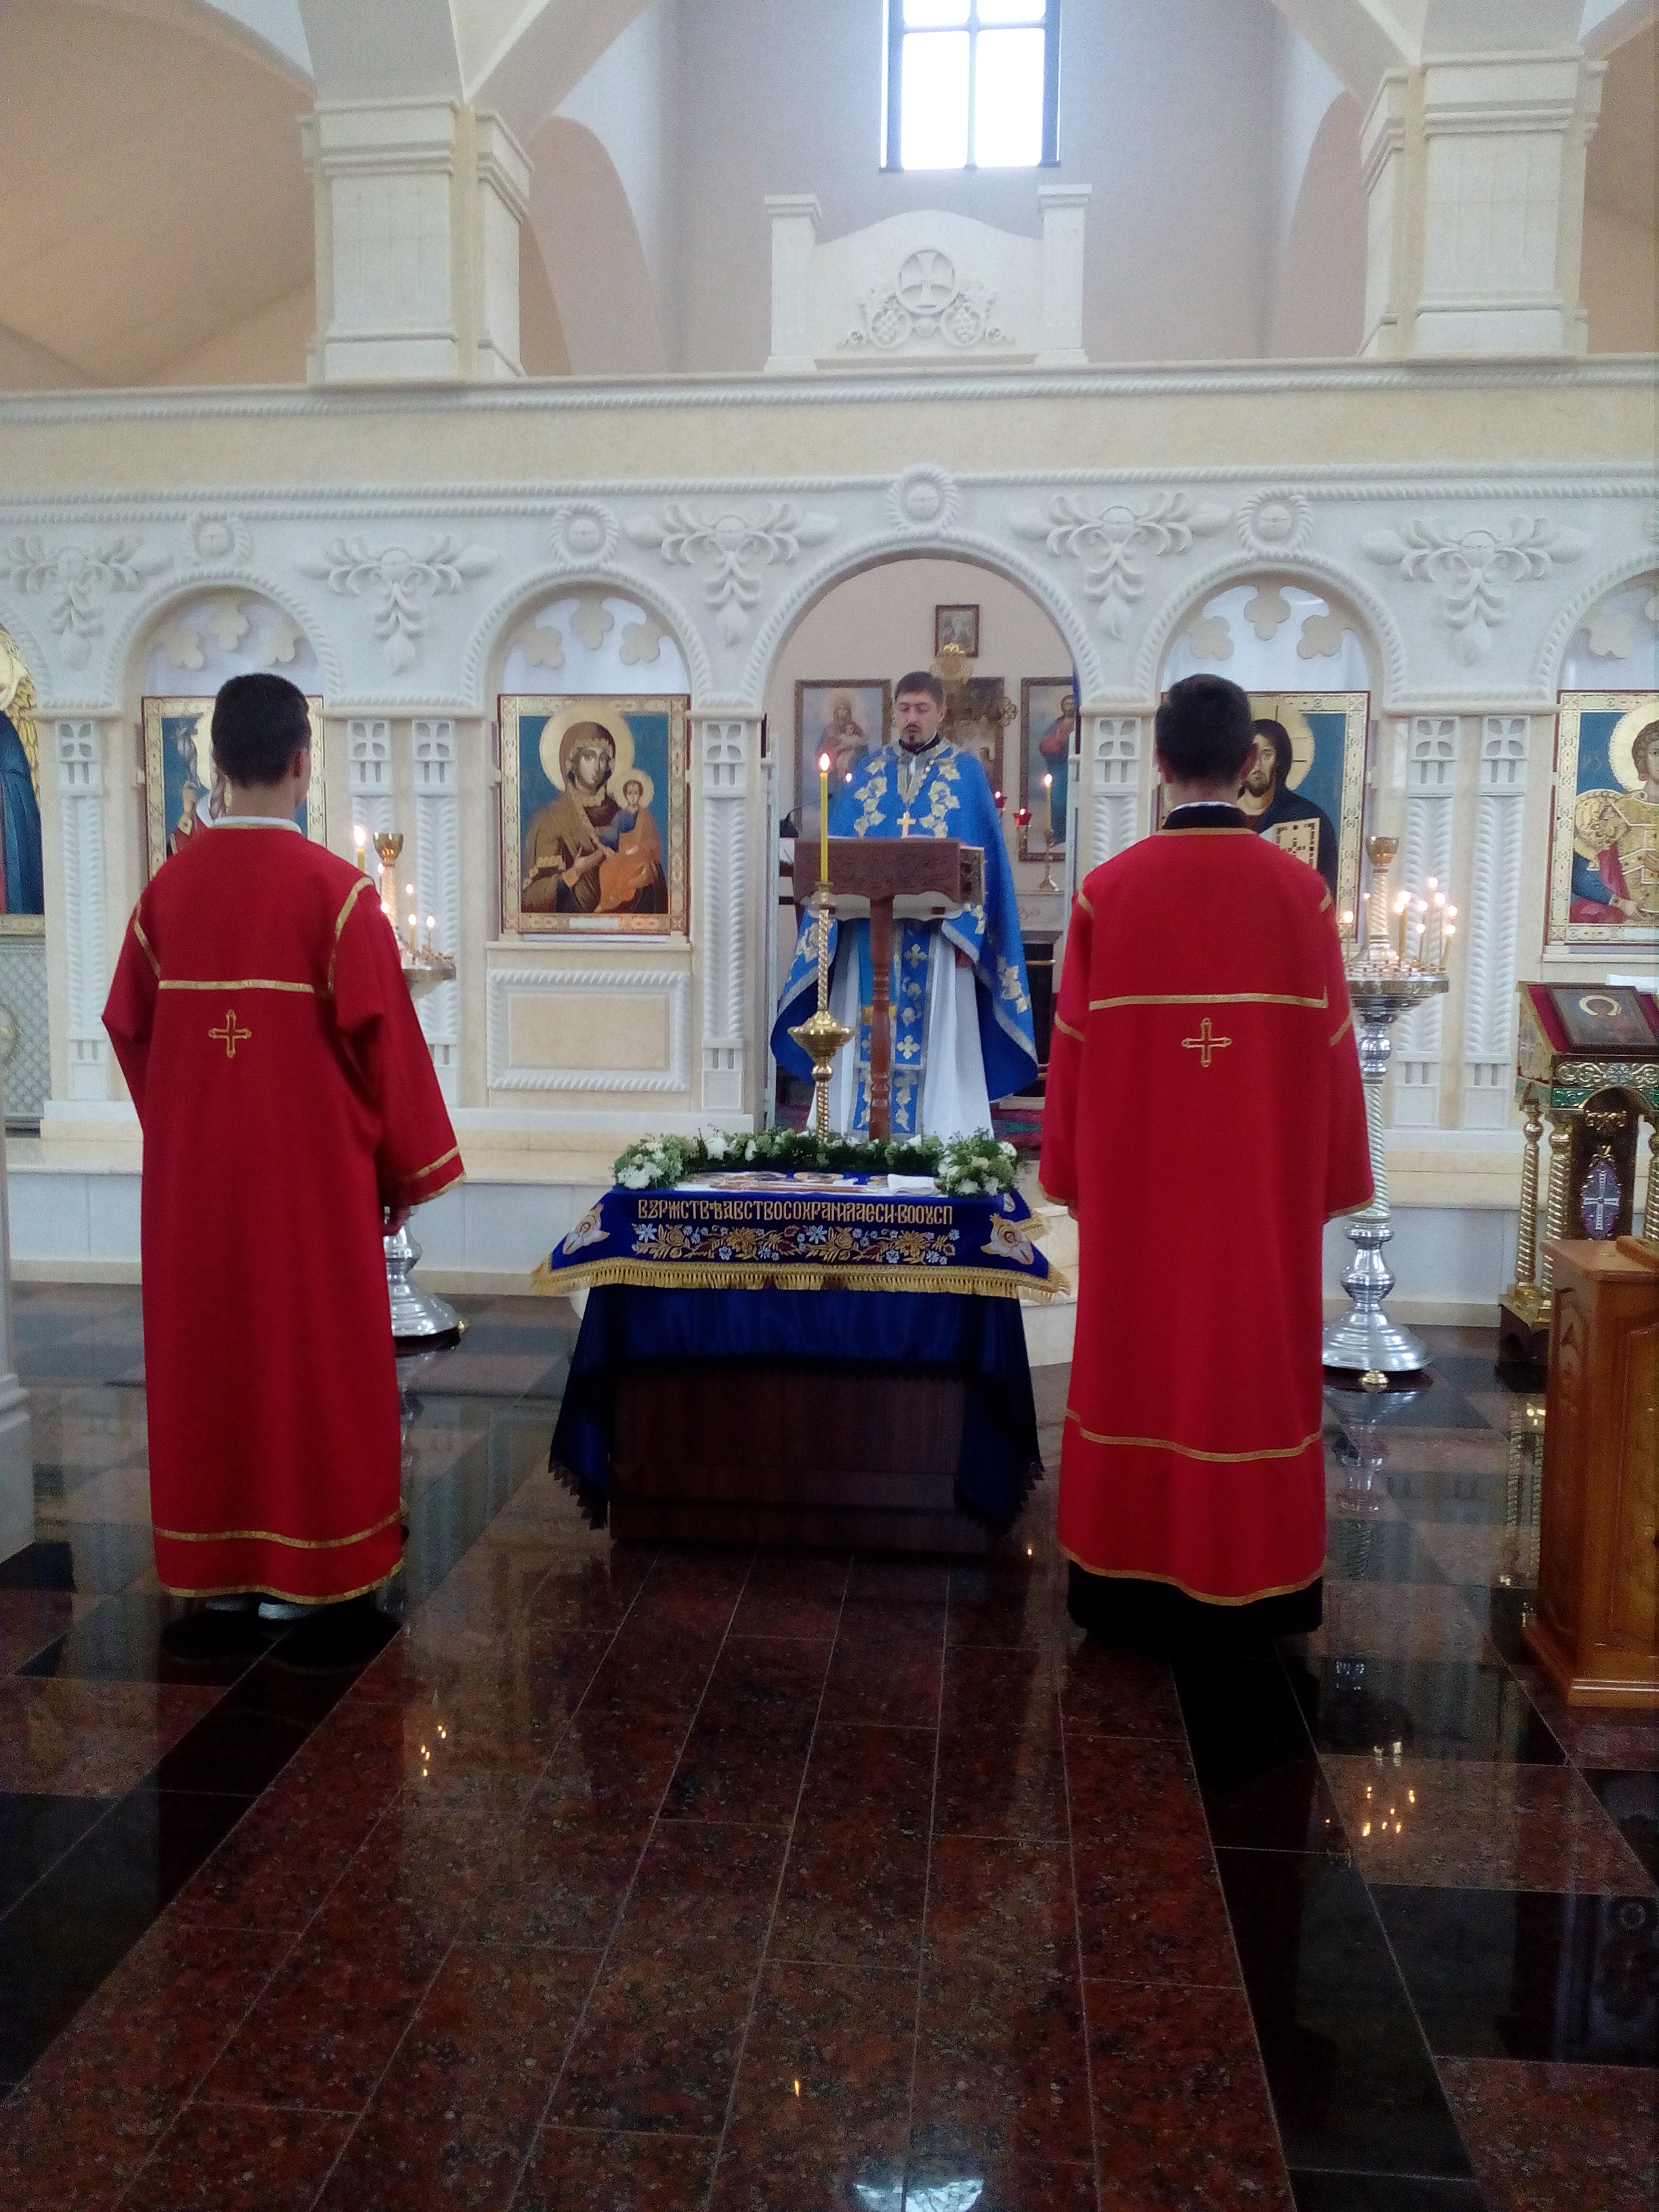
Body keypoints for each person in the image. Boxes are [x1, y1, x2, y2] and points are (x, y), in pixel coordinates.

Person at [102, 673, 463, 1625]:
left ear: (217, 764)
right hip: (311, 1192)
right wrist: (401, 1172)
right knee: (311, 1361)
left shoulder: (167, 895)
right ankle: (307, 1574)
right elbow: (389, 1054)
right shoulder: (337, 898)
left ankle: (218, 1571)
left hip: (192, 1195)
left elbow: (127, 1026)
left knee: (209, 1357)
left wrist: (184, 1127)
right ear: (304, 763)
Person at [1040, 672, 1371, 1656]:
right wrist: (1330, 1182)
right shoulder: (1300, 895)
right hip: (1259, 1207)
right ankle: (1255, 1580)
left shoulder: (1108, 895)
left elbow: (1071, 1063)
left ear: (1159, 760)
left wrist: (1070, 1178)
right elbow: (1336, 1059)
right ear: (1250, 762)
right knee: (1249, 1364)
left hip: (1142, 1203)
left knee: (1137, 1357)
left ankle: (1124, 1580)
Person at [771, 669, 1036, 1137]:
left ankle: (941, 1130)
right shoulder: (868, 772)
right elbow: (838, 856)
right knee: (862, 1023)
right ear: (894, 712)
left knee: (938, 1032)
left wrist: (970, 935)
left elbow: (984, 864)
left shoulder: (967, 775)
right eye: (905, 709)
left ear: (941, 712)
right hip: (869, 935)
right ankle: (852, 1130)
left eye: (922, 709)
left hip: (939, 940)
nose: (912, 719)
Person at [523, 720, 666, 915]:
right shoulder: (551, 820)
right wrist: (576, 872)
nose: (598, 766)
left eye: (603, 758)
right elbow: (533, 899)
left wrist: (647, 873)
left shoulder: (621, 813)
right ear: (571, 762)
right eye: (589, 757)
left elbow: (649, 865)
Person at [1238, 716, 1338, 899]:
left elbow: (1323, 891)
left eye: (1266, 755)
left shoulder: (1306, 816)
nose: (1257, 765)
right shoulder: (1222, 817)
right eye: (1251, 755)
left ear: (1279, 760)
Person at [1570, 717, 1658, 924]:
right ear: (1643, 760)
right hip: (1632, 924)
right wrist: (1620, 903)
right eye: (1657, 752)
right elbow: (1575, 876)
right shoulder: (1621, 812)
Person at [598, 775, 663, 911]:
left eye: (636, 793)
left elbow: (653, 841)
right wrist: (604, 842)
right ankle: (607, 901)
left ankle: (615, 898)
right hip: (623, 853)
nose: (633, 797)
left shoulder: (645, 816)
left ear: (640, 795)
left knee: (627, 869)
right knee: (606, 868)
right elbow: (612, 836)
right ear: (625, 795)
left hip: (640, 855)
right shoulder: (620, 816)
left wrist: (638, 848)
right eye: (630, 793)